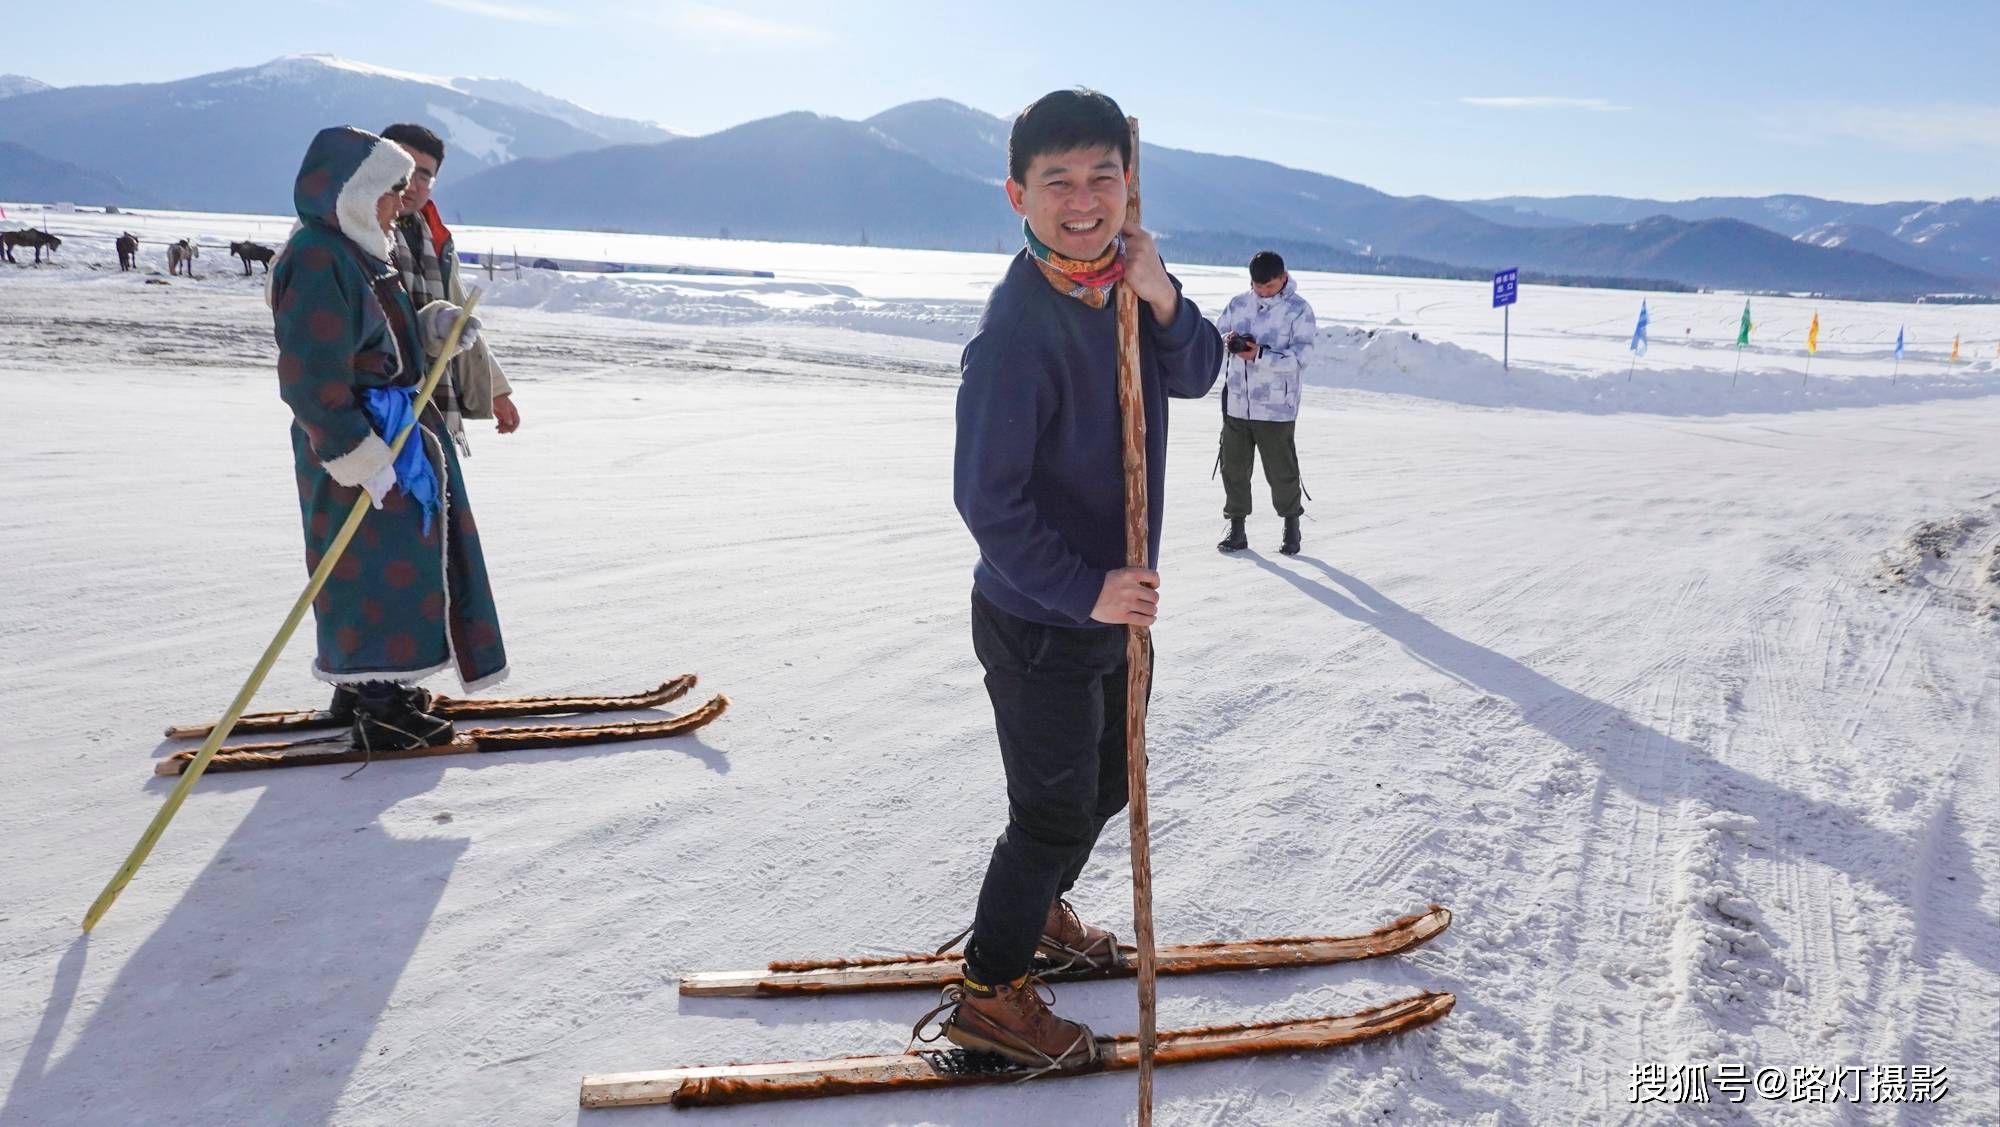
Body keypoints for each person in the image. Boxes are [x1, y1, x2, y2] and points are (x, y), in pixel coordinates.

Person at [930, 88, 1222, 1070]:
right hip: (1039, 615)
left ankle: (1042, 906)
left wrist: (1164, 292)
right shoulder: (1016, 330)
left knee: (1104, 781)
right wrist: (1085, 589)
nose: (1084, 197)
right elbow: (989, 501)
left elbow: (1195, 371)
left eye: (1103, 175)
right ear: (1018, 193)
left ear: (1128, 184)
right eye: (1058, 180)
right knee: (1049, 806)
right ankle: (988, 994)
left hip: (1113, 606)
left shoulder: (1124, 285)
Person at [268, 126, 505, 752]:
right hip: (356, 445)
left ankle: (373, 684)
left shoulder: (364, 249)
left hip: (390, 438)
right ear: (353, 188)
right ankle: (378, 705)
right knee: (366, 571)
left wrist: (434, 327)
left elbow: (380, 340)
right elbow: (310, 372)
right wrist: (353, 452)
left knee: (391, 565)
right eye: (391, 187)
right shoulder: (318, 256)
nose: (401, 200)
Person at [378, 122, 521, 444]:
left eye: (424, 175)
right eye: (405, 168)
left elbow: (459, 320)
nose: (412, 185)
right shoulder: (344, 225)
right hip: (366, 408)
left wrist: (495, 390)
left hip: (431, 402)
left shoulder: (434, 238)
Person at [1212, 250, 1316, 555]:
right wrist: (1229, 341)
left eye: (1269, 286)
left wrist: (1260, 354)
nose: (1262, 291)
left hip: (1275, 406)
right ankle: (1237, 529)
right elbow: (1218, 335)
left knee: (1281, 470)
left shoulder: (1299, 310)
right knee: (1233, 468)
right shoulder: (1238, 304)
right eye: (1257, 286)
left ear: (1283, 277)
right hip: (1236, 402)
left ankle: (1291, 528)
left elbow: (1301, 359)